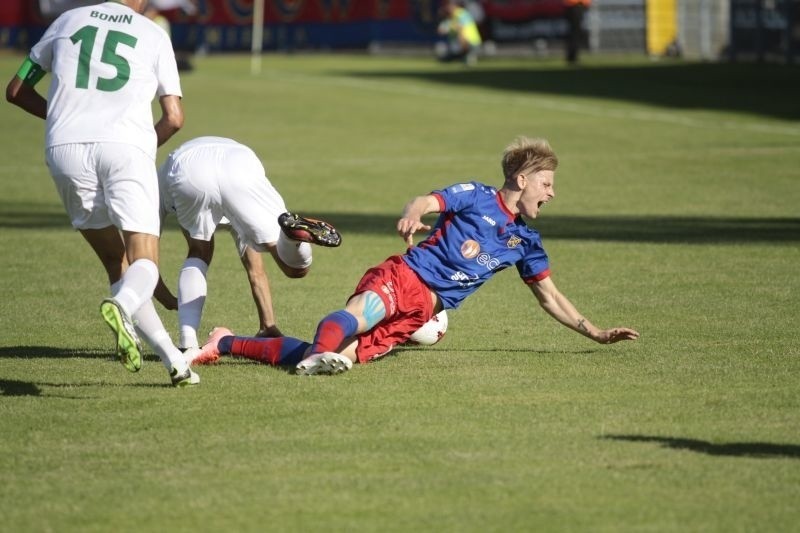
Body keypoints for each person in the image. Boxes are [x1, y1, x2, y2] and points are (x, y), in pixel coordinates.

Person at [190, 136, 640, 375]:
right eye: (547, 183)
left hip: (423, 311)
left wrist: (596, 333)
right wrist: (410, 216)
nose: (553, 193)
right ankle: (308, 358)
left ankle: (225, 342)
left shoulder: (526, 243)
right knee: (352, 319)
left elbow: (551, 297)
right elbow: (426, 202)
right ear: (522, 180)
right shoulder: (477, 196)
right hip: (406, 276)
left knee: (330, 356)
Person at [5, 0, 198, 387]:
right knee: (144, 260)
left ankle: (174, 361)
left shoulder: (66, 20)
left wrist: (66, 118)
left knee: (116, 262)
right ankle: (122, 305)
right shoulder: (154, 32)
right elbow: (175, 117)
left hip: (64, 150)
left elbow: (15, 89)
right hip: (125, 147)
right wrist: (143, 147)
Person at [154, 136, 342, 355]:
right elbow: (255, 269)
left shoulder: (153, 186)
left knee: (199, 250)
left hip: (188, 170)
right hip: (239, 162)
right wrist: (268, 323)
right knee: (294, 268)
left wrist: (166, 298)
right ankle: (292, 237)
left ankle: (187, 343)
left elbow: (143, 254)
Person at [436, 0, 483, 66]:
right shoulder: (452, 17)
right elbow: (441, 30)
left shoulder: (461, 14)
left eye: (448, 6)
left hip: (472, 44)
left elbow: (460, 30)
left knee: (461, 37)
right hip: (462, 45)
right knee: (447, 56)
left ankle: (467, 55)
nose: (446, 8)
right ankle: (460, 56)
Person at [564, 0, 592, 65]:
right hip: (575, 5)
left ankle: (572, 56)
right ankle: (572, 57)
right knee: (575, 32)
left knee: (575, 32)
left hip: (576, 5)